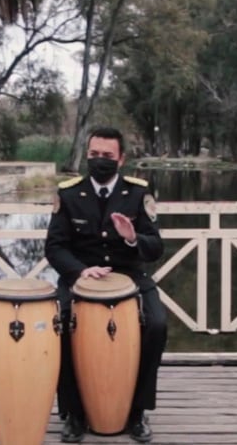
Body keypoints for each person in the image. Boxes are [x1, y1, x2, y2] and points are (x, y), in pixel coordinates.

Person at [45, 127, 167, 443]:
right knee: (61, 326)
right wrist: (79, 272)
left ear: (121, 159)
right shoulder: (69, 193)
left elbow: (155, 248)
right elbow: (55, 246)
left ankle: (138, 411)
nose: (100, 161)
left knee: (156, 325)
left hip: (129, 275)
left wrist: (132, 238)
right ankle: (73, 413)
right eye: (95, 155)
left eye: (107, 156)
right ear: (88, 155)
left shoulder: (138, 193)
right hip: (81, 276)